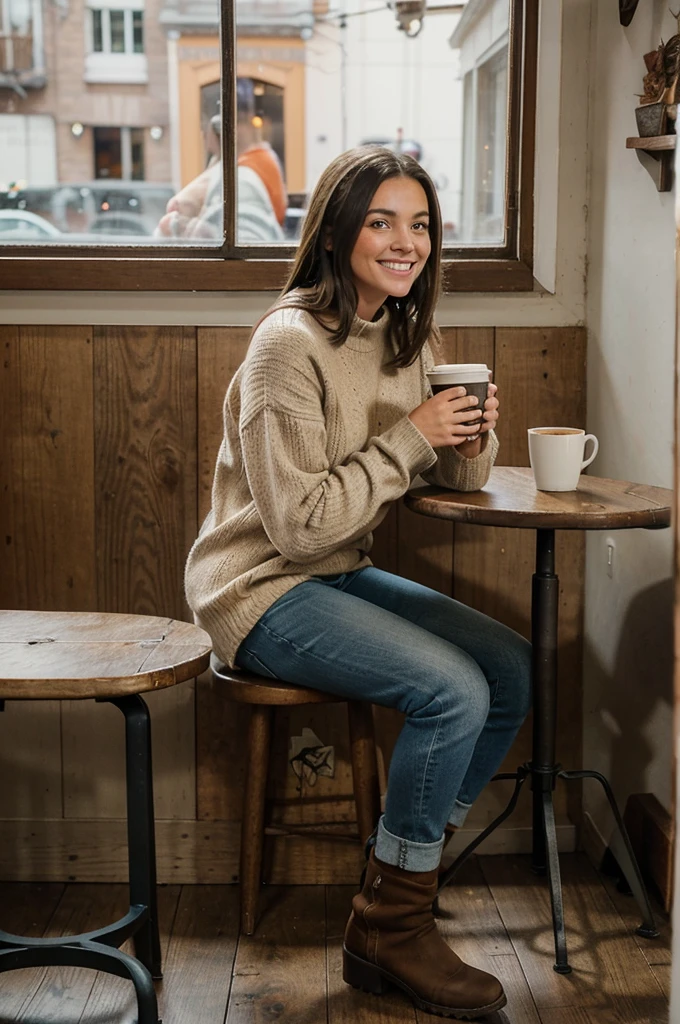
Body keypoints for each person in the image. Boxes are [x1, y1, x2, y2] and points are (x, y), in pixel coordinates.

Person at [185, 145, 532, 1020]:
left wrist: (472, 433)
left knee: (509, 668)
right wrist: (412, 435)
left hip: (335, 572)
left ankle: (397, 886)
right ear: (337, 233)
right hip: (258, 588)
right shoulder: (286, 345)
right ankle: (396, 922)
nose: (404, 241)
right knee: (451, 693)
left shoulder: (408, 334)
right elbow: (298, 526)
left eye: (419, 224)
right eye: (381, 221)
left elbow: (447, 482)